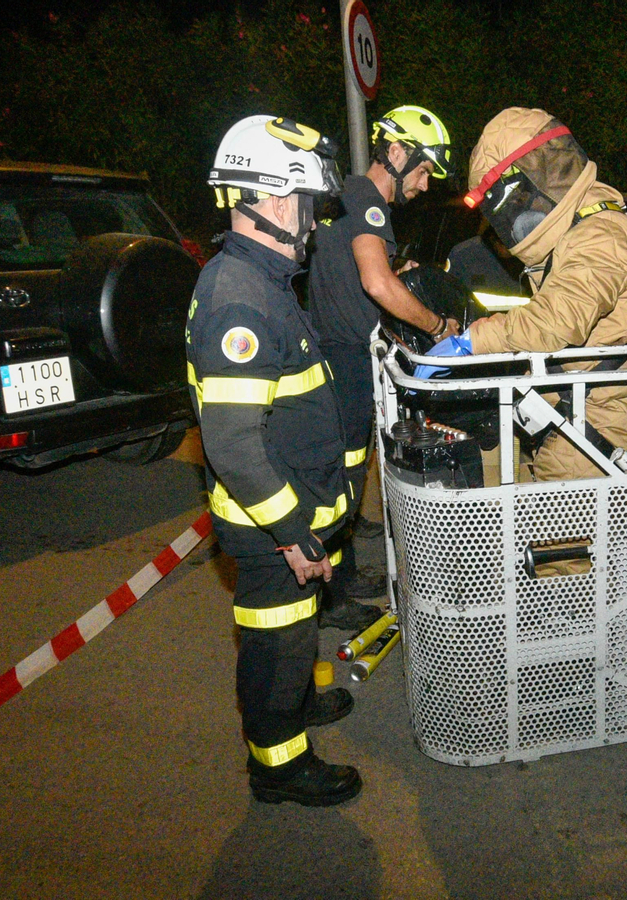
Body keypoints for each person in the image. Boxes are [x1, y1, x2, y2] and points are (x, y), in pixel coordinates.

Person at [190, 114, 362, 806]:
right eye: (310, 206)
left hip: (287, 513)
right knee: (275, 649)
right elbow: (233, 446)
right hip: (270, 527)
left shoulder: (256, 279)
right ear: (276, 199)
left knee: (294, 635)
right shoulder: (241, 301)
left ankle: (296, 710)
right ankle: (279, 766)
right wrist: (293, 534)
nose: (315, 223)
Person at [307, 105, 456, 625]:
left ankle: (342, 575)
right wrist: (438, 328)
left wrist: (395, 267)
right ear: (395, 152)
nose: (424, 183)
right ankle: (328, 598)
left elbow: (357, 272)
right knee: (340, 479)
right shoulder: (370, 202)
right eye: (422, 169)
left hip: (328, 352)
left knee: (344, 476)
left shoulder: (345, 193)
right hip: (345, 360)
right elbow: (375, 284)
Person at [456, 107, 627, 484]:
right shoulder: (574, 231)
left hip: (596, 419)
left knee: (554, 539)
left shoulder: (601, 234)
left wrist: (472, 341)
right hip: (564, 408)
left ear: (537, 175)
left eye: (514, 198)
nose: (516, 214)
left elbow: (556, 321)